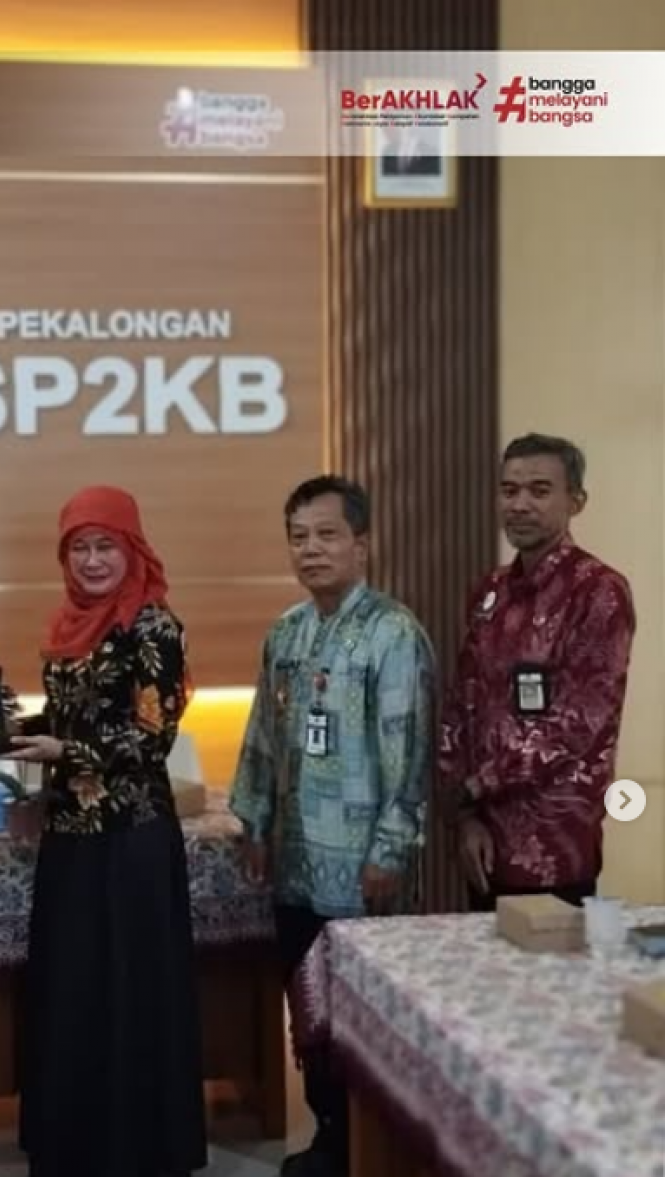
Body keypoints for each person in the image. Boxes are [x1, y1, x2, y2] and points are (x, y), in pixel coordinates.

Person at [230, 475, 435, 1177]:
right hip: (295, 862)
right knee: (310, 1008)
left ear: (361, 544)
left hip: (362, 869)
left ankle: (367, 1150)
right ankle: (327, 1137)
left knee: (363, 1016)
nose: (311, 550)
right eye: (299, 537)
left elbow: (409, 755)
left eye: (327, 535)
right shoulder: (287, 631)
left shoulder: (393, 633)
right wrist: (256, 823)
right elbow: (261, 736)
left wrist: (392, 849)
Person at [5, 485, 208, 1177]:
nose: (91, 561)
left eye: (105, 546)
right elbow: (71, 721)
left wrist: (62, 750)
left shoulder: (154, 627)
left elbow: (150, 737)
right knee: (74, 988)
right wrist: (8, 729)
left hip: (131, 837)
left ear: (133, 549)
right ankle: (75, 1143)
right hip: (71, 835)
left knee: (129, 989)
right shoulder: (70, 623)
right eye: (79, 548)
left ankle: (138, 1149)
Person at [441, 433, 635, 910]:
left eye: (539, 491)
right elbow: (460, 703)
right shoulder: (489, 591)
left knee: (551, 959)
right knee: (478, 958)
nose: (520, 504)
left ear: (576, 501)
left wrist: (475, 786)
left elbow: (578, 725)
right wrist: (464, 815)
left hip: (555, 846)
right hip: (481, 842)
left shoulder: (599, 592)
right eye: (509, 490)